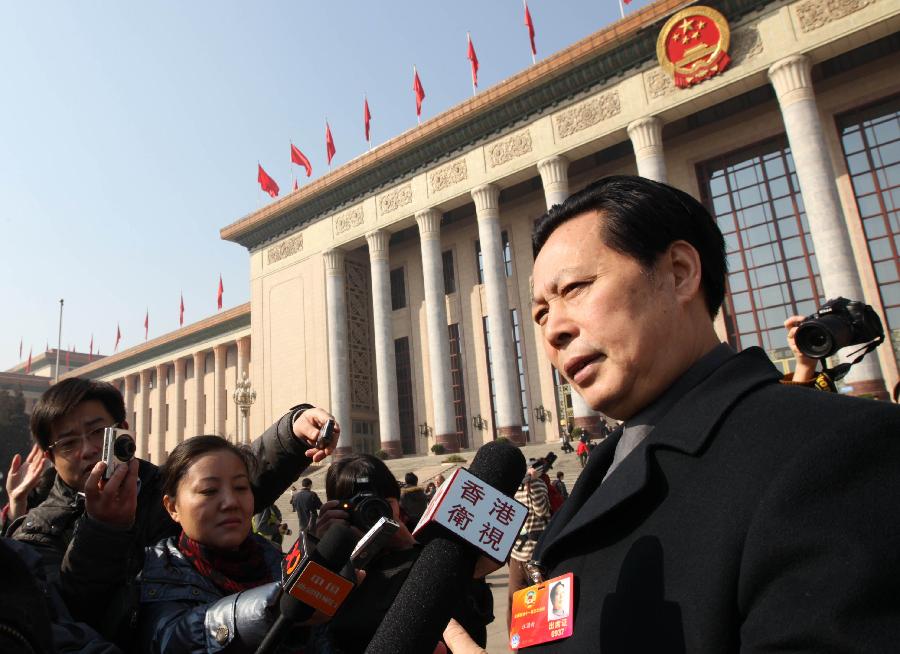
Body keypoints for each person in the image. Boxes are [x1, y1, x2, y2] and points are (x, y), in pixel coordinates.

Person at [510, 175, 900, 651]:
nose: (554, 330)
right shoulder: (608, 468)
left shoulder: (836, 452)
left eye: (575, 288)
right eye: (541, 313)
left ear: (679, 273)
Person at [8, 377, 340, 647]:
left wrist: (293, 433)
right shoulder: (35, 535)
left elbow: (234, 475)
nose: (88, 449)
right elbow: (65, 622)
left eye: (98, 432)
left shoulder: (162, 486)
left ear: (123, 429)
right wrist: (102, 530)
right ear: (51, 458)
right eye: (68, 443)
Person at [311, 454, 493, 653]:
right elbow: (305, 630)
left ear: (398, 501)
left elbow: (471, 626)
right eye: (355, 506)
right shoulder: (329, 555)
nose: (371, 514)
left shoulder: (434, 541)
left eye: (381, 504)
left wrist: (410, 548)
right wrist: (325, 552)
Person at [139, 436, 304, 654]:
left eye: (240, 487)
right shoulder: (153, 573)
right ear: (172, 508)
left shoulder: (282, 564)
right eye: (209, 491)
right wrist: (274, 606)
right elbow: (170, 639)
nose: (231, 502)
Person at [507, 464, 551, 628]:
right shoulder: (509, 487)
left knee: (541, 600)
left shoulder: (537, 483)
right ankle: (517, 644)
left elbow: (542, 511)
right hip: (516, 554)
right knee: (515, 602)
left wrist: (531, 485)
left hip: (535, 554)